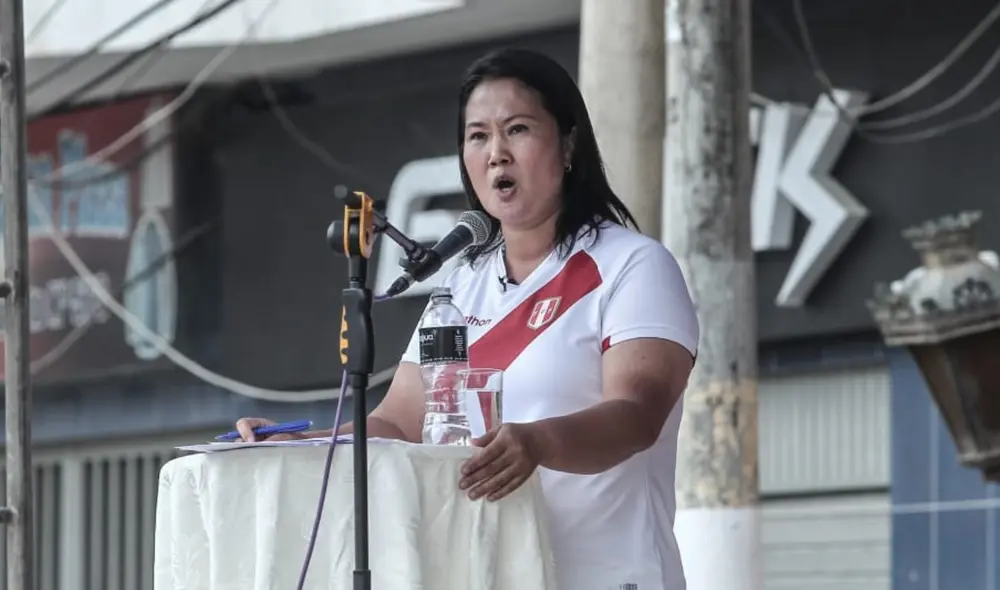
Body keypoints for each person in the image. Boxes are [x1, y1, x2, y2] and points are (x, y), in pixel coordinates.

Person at [236, 47, 699, 590]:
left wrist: (538, 443)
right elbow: (401, 423)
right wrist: (306, 446)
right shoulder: (461, 284)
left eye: (518, 130)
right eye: (478, 136)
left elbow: (636, 416)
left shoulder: (633, 266)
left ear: (568, 144)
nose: (496, 153)